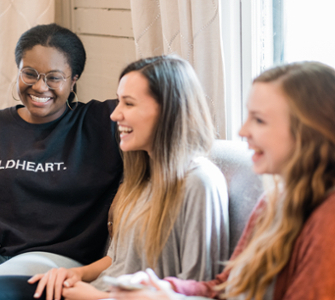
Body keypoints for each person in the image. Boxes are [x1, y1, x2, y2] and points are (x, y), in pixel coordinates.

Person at [0, 55, 229, 300]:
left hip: (101, 297)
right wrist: (73, 274)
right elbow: (115, 261)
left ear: (168, 110)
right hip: (92, 289)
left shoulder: (199, 182)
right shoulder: (140, 178)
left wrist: (98, 297)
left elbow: (197, 292)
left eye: (128, 104)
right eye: (118, 102)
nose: (115, 115)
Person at [111, 61, 335, 300]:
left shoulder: (327, 219)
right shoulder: (274, 201)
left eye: (259, 120)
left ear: (308, 130)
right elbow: (225, 287)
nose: (242, 131)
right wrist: (166, 289)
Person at [0, 23, 123, 299]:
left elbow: (157, 104)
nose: (39, 86)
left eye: (54, 77)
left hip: (53, 256)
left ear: (74, 79)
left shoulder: (100, 123)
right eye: (29, 74)